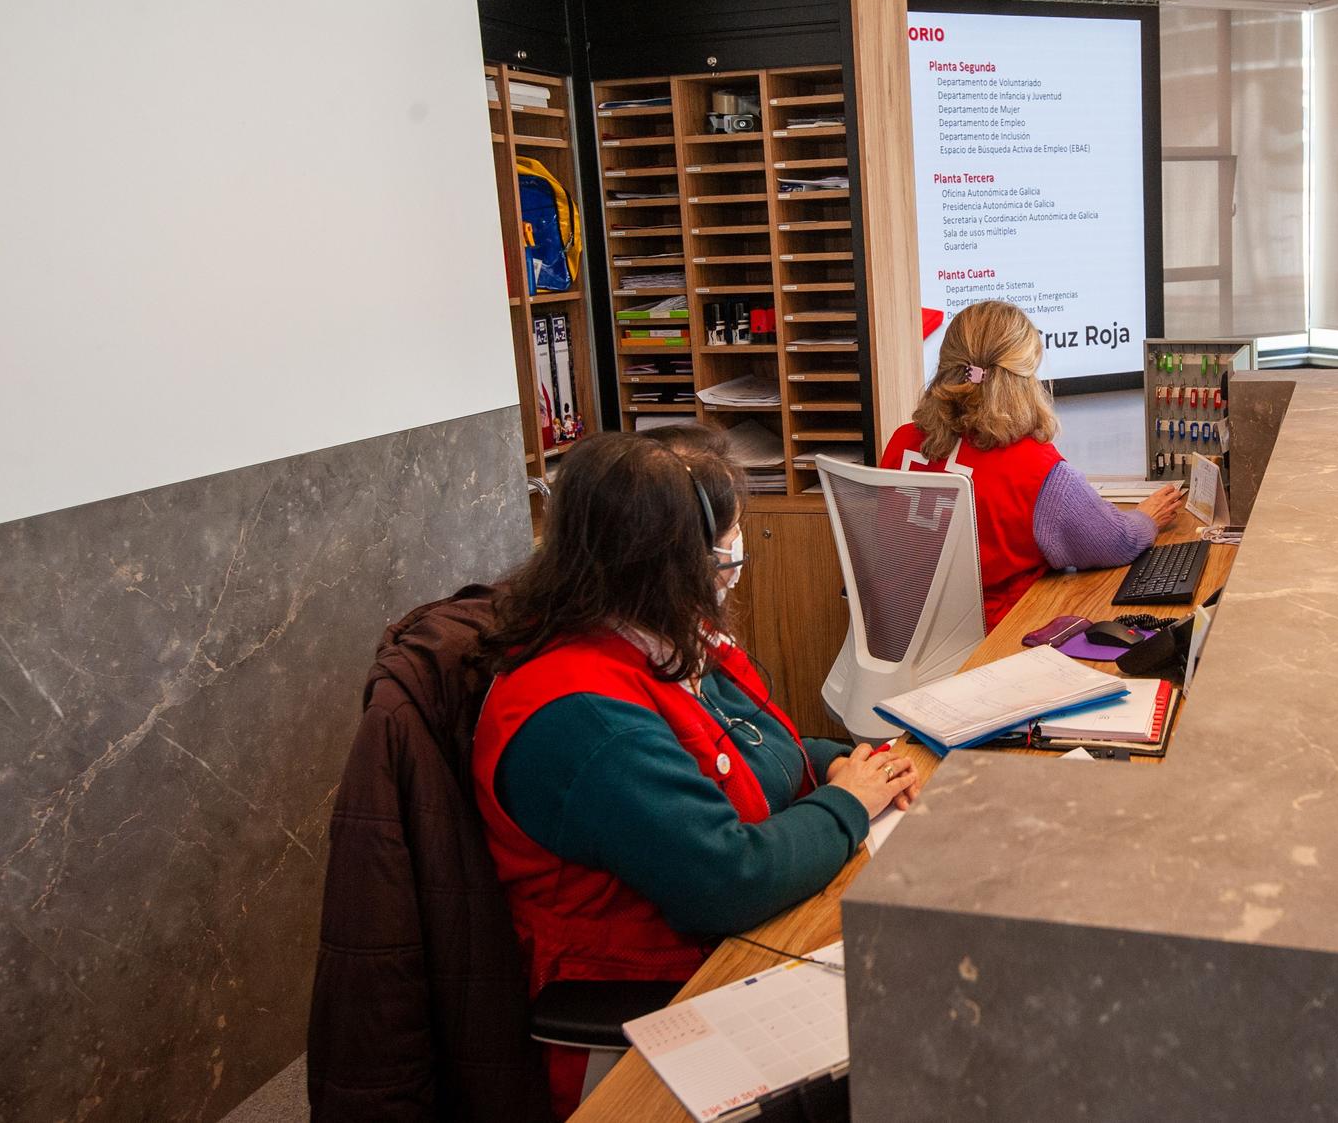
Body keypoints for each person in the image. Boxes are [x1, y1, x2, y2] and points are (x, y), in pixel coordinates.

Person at [472, 428, 918, 1118]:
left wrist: (848, 766)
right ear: (673, 560)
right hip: (661, 1000)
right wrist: (846, 805)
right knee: (919, 1029)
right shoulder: (585, 720)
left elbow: (756, 747)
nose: (735, 556)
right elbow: (727, 876)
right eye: (726, 540)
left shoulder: (652, 636)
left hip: (731, 948)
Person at [882, 300, 1184, 628]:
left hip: (899, 633)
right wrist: (1148, 516)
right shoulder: (1037, 470)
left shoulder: (901, 442)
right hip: (988, 647)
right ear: (1025, 376)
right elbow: (1116, 542)